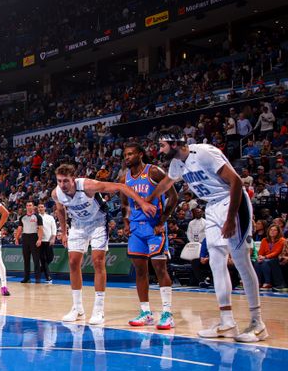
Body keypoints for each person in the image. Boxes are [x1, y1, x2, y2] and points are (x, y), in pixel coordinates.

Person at [147, 126, 267, 342]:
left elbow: (237, 182)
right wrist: (148, 199)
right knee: (216, 262)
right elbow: (167, 183)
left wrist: (230, 218)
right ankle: (227, 321)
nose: (160, 150)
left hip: (233, 202)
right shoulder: (176, 163)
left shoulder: (203, 153)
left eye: (162, 145)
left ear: (174, 143)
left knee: (241, 262)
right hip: (212, 207)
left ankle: (258, 323)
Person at [53, 164, 157, 325]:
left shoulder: (88, 186)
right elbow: (60, 210)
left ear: (73, 179)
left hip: (98, 223)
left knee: (98, 261)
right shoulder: (57, 193)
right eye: (59, 181)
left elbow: (121, 186)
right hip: (78, 225)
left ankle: (98, 309)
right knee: (73, 262)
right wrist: (64, 232)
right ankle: (77, 308)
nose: (62, 185)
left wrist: (142, 203)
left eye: (65, 181)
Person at [120, 143, 179, 330]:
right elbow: (125, 202)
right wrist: (126, 221)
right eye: (125, 154)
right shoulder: (124, 178)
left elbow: (173, 196)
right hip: (137, 229)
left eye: (130, 153)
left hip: (154, 228)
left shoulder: (154, 172)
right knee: (140, 271)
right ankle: (146, 312)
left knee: (160, 269)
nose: (127, 157)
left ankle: (167, 314)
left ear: (140, 154)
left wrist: (162, 220)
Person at [15, 201, 46, 283]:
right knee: (26, 259)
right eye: (27, 205)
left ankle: (37, 278)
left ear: (33, 207)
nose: (29, 207)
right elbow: (19, 229)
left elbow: (40, 228)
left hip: (34, 237)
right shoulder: (22, 217)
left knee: (36, 259)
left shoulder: (37, 217)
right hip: (25, 237)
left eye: (30, 205)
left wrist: (39, 239)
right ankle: (26, 278)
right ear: (26, 207)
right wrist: (17, 238)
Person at [255, 223, 285, 290]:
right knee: (257, 262)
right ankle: (258, 282)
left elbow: (276, 252)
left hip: (276, 258)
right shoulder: (264, 240)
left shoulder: (282, 240)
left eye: (275, 230)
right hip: (265, 258)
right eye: (271, 230)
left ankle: (267, 283)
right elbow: (261, 251)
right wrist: (259, 257)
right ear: (268, 231)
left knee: (265, 262)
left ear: (278, 232)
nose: (272, 231)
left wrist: (265, 257)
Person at [37, 203, 57, 281]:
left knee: (50, 258)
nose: (40, 208)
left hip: (48, 240)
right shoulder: (36, 217)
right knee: (43, 259)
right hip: (40, 240)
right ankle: (48, 276)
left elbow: (54, 228)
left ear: (45, 208)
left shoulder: (50, 217)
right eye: (39, 207)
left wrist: (53, 237)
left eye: (42, 207)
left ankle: (39, 270)